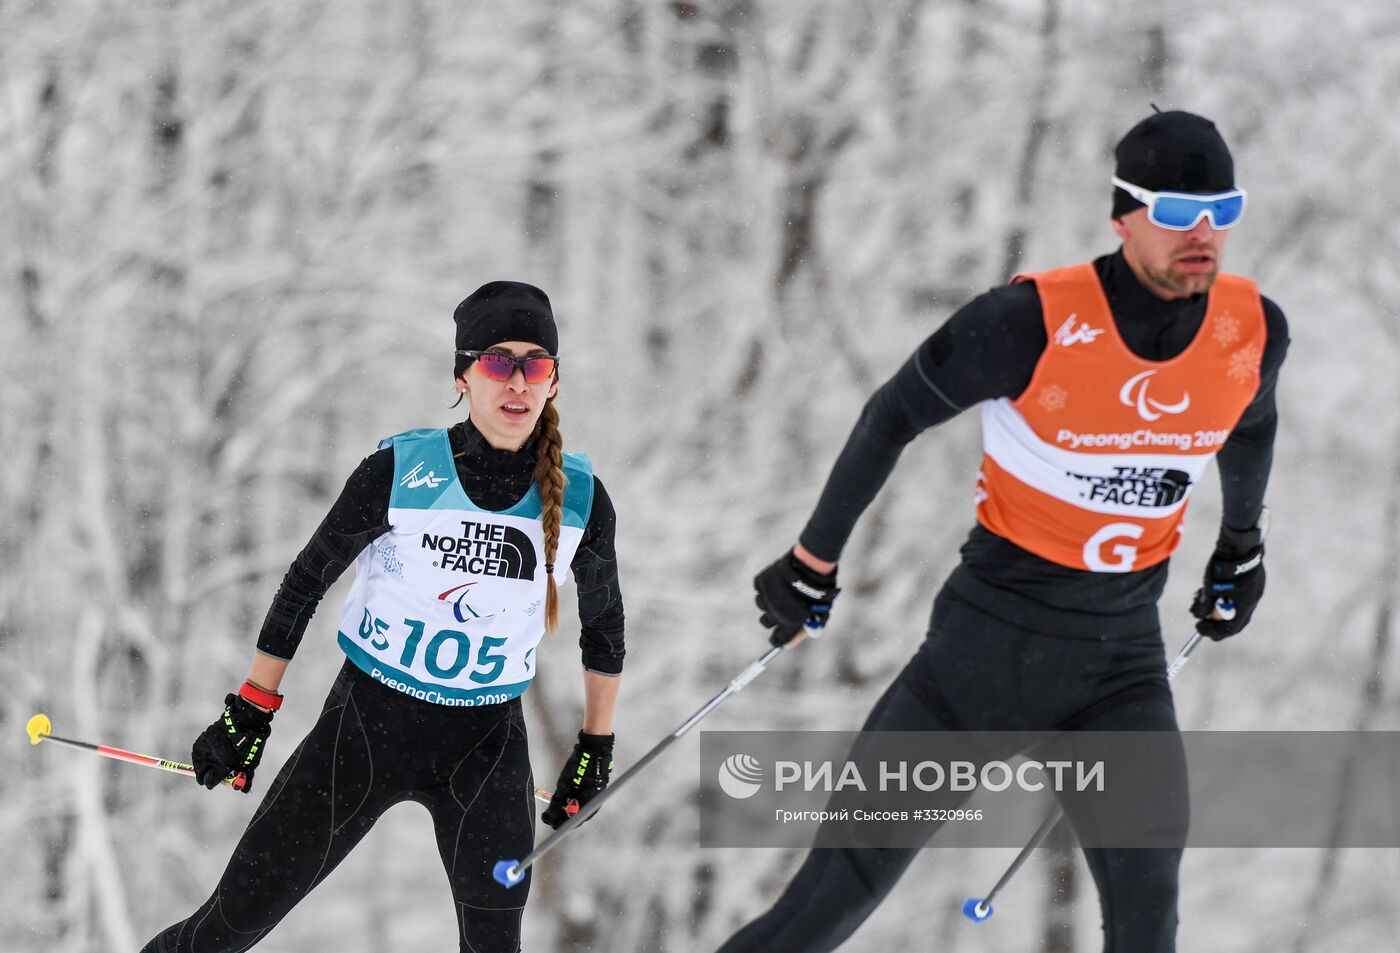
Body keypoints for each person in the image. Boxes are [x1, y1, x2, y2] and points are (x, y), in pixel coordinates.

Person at [717, 110, 1288, 952]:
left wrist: (1241, 546)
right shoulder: (1030, 321)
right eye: (1174, 213)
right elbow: (891, 416)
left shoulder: (1251, 330)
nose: (1201, 233)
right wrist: (813, 559)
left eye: (1221, 210)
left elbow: (1251, 425)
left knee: (1149, 920)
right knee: (821, 912)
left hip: (1118, 674)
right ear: (1123, 213)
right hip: (976, 666)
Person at [141, 281, 626, 953]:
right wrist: (251, 709)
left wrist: (594, 749)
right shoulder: (400, 470)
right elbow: (304, 581)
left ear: (553, 382)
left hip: (485, 750)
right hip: (365, 729)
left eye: (534, 363)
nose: (516, 381)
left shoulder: (579, 498)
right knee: (226, 927)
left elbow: (604, 631)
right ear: (462, 375)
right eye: (496, 361)